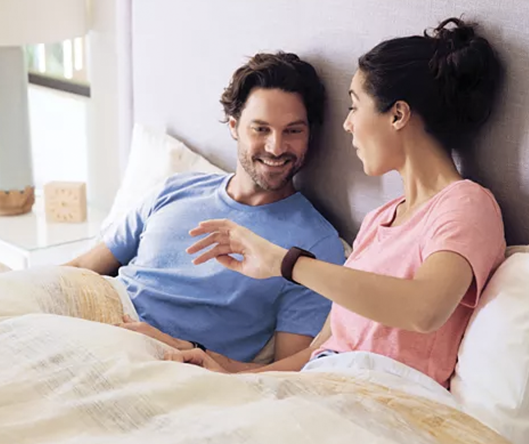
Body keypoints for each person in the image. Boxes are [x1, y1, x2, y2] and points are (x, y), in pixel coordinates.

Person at [169, 17, 506, 388]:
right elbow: (320, 351)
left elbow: (425, 310)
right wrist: (223, 371)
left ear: (397, 114)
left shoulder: (466, 205)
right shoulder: (379, 221)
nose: (347, 125)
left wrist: (283, 262)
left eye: (354, 106)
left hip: (383, 398)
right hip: (322, 386)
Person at [66, 52, 346, 371]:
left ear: (310, 134)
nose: (276, 147)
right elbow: (82, 267)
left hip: (170, 362)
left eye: (293, 131)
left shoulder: (315, 246)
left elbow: (283, 374)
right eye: (261, 129)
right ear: (234, 126)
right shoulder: (176, 189)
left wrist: (189, 350)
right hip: (93, 315)